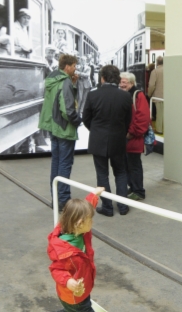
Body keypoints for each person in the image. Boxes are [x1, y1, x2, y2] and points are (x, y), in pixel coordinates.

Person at [47, 188, 126, 312]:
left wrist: (94, 195)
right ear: (80, 223)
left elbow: (84, 207)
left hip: (75, 292)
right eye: (90, 220)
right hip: (74, 294)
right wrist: (69, 282)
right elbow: (56, 270)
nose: (92, 223)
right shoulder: (62, 250)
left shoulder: (73, 226)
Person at [81, 65, 132, 217]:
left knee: (102, 174)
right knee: (121, 172)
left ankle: (108, 207)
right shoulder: (125, 96)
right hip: (118, 140)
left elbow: (86, 118)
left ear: (102, 78)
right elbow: (128, 121)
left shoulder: (93, 95)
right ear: (117, 78)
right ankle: (123, 206)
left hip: (99, 141)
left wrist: (96, 131)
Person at [39, 54, 81, 209]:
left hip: (54, 127)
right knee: (65, 164)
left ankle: (55, 198)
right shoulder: (65, 83)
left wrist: (73, 84)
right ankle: (64, 200)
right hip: (64, 128)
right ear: (68, 66)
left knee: (56, 163)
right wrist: (78, 121)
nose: (75, 68)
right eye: (74, 66)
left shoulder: (52, 80)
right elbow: (68, 110)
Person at [119, 71, 149, 201]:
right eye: (120, 82)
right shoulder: (124, 95)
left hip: (133, 138)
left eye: (124, 82)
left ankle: (138, 191)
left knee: (134, 165)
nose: (121, 85)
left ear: (131, 83)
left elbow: (142, 118)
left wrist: (131, 133)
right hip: (125, 138)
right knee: (127, 164)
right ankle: (133, 187)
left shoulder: (138, 95)